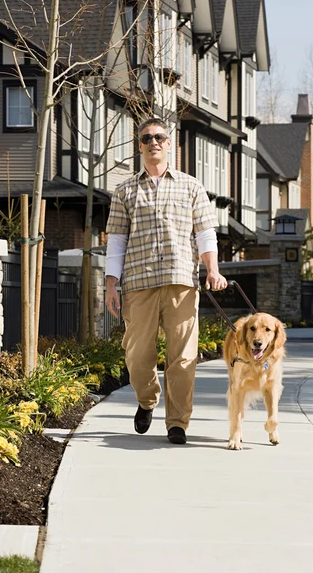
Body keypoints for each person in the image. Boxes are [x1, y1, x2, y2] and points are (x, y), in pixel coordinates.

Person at [105, 117, 227, 444]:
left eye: (159, 136)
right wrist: (110, 284)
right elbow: (116, 239)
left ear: (169, 143)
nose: (153, 142)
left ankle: (177, 423)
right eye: (147, 138)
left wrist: (212, 269)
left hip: (182, 280)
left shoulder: (191, 186)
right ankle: (146, 399)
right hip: (139, 283)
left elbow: (205, 232)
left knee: (183, 358)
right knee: (137, 355)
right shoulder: (125, 190)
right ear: (140, 145)